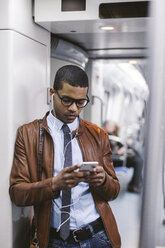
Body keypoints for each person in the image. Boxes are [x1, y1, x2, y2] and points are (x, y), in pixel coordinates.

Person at [9, 65, 121, 248]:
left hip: (97, 236)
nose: (74, 109)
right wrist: (54, 184)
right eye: (67, 100)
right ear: (53, 93)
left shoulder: (98, 134)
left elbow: (114, 191)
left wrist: (102, 180)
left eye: (81, 102)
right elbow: (17, 193)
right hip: (53, 240)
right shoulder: (28, 134)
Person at [103, 120, 143, 193]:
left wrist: (125, 146)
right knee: (138, 161)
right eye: (111, 127)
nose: (113, 129)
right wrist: (118, 152)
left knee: (138, 159)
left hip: (118, 157)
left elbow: (120, 145)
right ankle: (134, 184)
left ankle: (135, 183)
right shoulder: (104, 137)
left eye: (113, 127)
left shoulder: (113, 137)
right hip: (113, 159)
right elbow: (104, 152)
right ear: (105, 127)